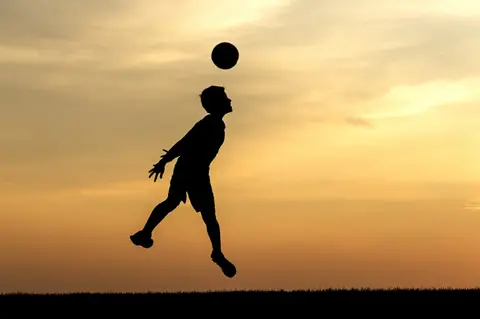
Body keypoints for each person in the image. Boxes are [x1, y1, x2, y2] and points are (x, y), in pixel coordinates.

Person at [130, 85, 236, 278]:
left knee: (180, 205)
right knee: (204, 214)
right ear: (216, 104)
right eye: (225, 97)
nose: (229, 100)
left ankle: (146, 233)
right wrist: (164, 161)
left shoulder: (216, 124)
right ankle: (216, 252)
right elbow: (185, 143)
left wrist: (166, 161)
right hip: (190, 170)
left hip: (197, 171)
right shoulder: (208, 123)